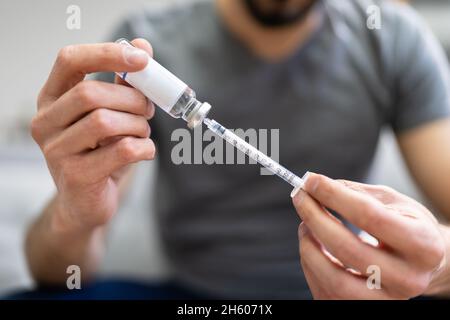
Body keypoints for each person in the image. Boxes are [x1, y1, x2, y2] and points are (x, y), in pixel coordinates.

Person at [24, 0, 450, 299]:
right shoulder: (145, 48)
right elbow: (53, 274)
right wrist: (76, 212)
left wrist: (434, 266)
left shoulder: (391, 39)